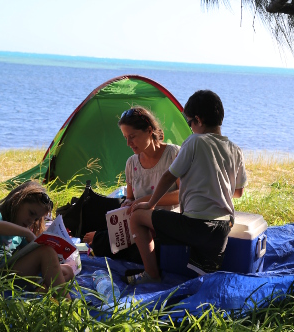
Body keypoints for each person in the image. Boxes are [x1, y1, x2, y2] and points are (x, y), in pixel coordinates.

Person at [126, 89, 247, 285]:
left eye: (190, 123)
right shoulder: (235, 149)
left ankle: (152, 274)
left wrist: (150, 204)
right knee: (206, 283)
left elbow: (168, 176)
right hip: (223, 229)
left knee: (138, 217)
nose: (190, 128)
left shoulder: (195, 141)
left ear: (198, 120)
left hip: (196, 226)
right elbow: (238, 192)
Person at [82, 106, 180, 258]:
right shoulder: (132, 163)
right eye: (125, 137)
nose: (128, 143)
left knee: (107, 244)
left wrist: (146, 200)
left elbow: (182, 195)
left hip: (166, 225)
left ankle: (101, 240)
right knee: (115, 241)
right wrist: (128, 203)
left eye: (132, 136)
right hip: (139, 228)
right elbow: (130, 198)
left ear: (149, 130)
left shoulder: (174, 154)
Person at [0, 181, 74, 299]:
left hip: (6, 274)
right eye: (31, 213)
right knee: (46, 252)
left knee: (67, 271)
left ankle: (38, 291)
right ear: (17, 199)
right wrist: (27, 232)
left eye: (36, 218)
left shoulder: (20, 233)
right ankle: (66, 305)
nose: (31, 221)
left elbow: (31, 255)